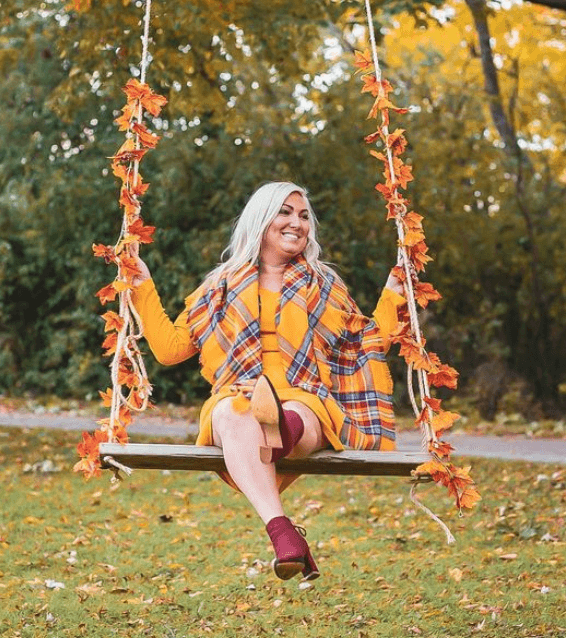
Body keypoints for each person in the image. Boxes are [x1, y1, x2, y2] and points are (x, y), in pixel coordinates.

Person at [130, 181, 405, 582]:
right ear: (262, 219)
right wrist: (140, 285)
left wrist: (396, 295)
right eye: (286, 212)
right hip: (240, 394)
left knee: (291, 412)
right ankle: (284, 533)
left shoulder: (322, 282)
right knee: (229, 413)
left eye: (304, 215)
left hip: (306, 400)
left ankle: (277, 424)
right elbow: (171, 349)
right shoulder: (222, 285)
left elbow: (364, 342)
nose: (298, 222)